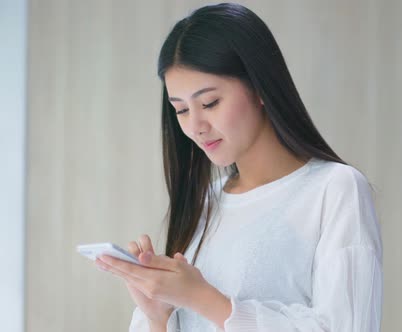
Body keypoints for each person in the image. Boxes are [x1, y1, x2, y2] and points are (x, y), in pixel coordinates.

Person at [95, 2, 383, 331]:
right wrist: (158, 317)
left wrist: (203, 298)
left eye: (209, 103)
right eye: (181, 110)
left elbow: (347, 326)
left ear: (259, 86)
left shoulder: (335, 189)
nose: (195, 126)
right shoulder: (206, 204)